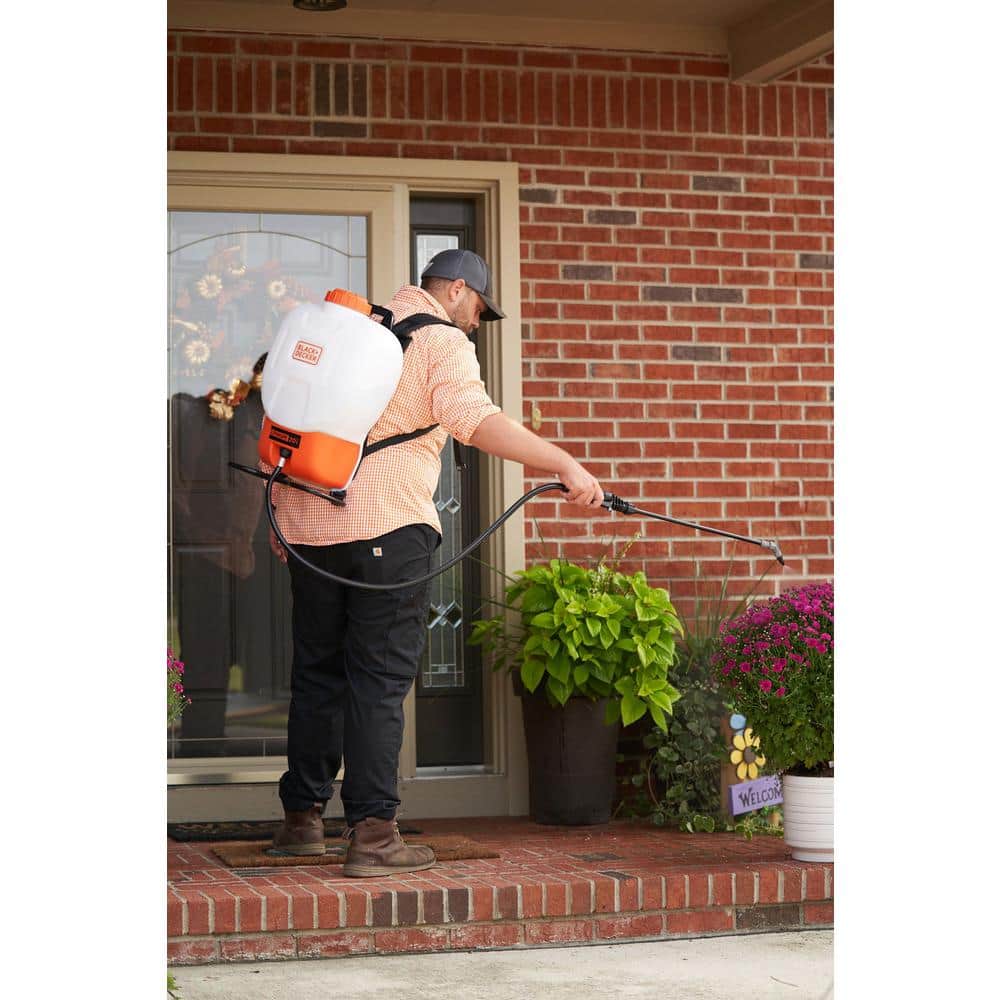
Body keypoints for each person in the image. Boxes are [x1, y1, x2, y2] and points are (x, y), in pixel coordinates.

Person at [267, 249, 605, 876]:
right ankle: (373, 835)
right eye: (478, 307)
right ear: (454, 290)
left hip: (308, 524)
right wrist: (562, 462)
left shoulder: (355, 328)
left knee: (317, 673)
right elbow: (475, 421)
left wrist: (281, 514)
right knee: (377, 680)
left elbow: (290, 411)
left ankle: (301, 821)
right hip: (387, 526)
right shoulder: (439, 341)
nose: (477, 321)